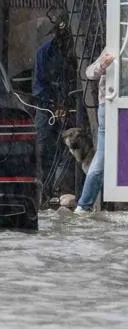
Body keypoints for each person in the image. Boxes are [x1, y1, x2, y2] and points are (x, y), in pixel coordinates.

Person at [76, 50, 115, 213]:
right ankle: (84, 205)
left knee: (102, 156)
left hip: (112, 104)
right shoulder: (117, 44)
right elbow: (89, 72)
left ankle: (84, 206)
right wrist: (103, 65)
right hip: (110, 105)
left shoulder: (119, 42)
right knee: (102, 156)